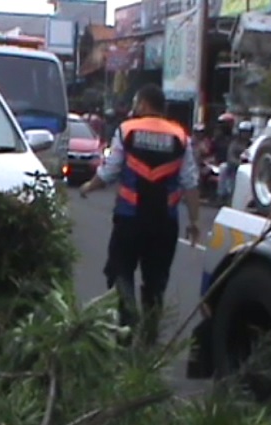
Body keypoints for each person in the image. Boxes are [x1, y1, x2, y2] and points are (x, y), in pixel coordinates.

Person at [79, 84, 201, 345]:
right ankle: (149, 335)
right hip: (164, 223)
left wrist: (88, 186)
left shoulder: (127, 130)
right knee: (156, 280)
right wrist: (194, 221)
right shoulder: (181, 136)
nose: (134, 108)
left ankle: (127, 322)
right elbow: (190, 182)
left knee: (120, 270)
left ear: (144, 104)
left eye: (136, 103)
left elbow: (110, 171)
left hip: (129, 219)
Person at [217, 120, 254, 205]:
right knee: (223, 167)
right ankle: (221, 195)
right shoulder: (234, 143)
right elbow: (230, 158)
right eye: (244, 132)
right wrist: (240, 164)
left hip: (249, 169)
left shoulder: (252, 145)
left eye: (247, 132)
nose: (245, 134)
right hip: (234, 168)